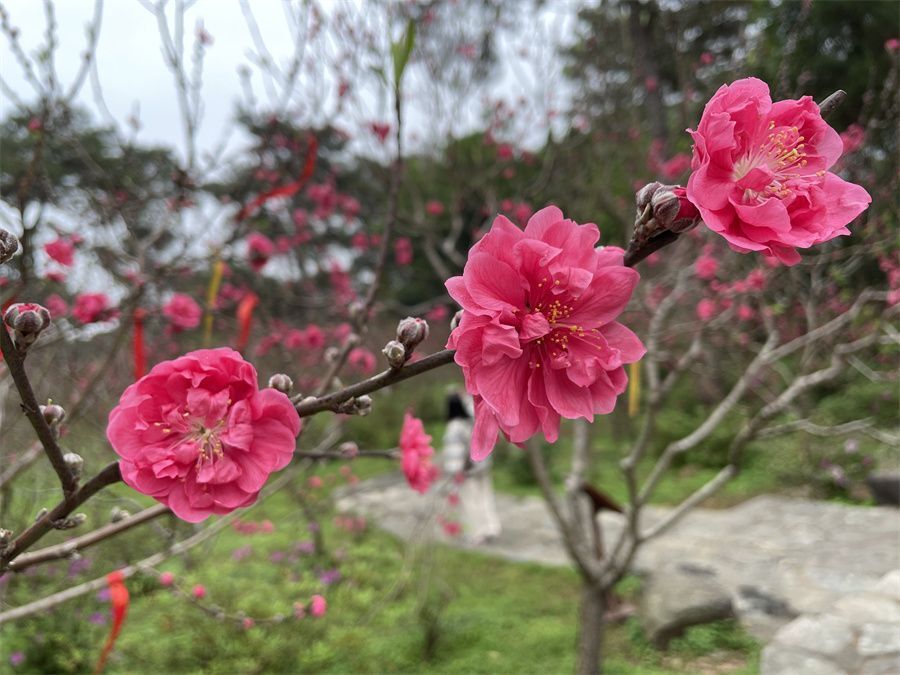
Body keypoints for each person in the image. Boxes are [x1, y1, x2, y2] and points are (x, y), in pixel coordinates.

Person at [441, 391, 501, 544]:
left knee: (470, 502)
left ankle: (478, 532)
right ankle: (492, 527)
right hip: (482, 467)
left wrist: (455, 472)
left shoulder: (454, 426)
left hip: (467, 472)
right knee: (486, 497)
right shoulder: (471, 420)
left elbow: (455, 452)